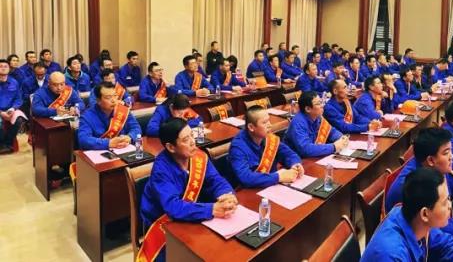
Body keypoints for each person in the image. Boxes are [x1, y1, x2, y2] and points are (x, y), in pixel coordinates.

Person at [137, 117, 237, 262]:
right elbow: (173, 207)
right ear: (171, 147)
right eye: (185, 139)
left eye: (192, 135)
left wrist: (227, 195)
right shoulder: (161, 170)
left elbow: (216, 180)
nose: (192, 142)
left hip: (192, 212)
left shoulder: (198, 156)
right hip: (163, 222)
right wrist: (211, 209)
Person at [361, 167, 453, 261]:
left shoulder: (417, 220)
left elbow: (448, 245)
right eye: (445, 202)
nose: (450, 205)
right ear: (425, 214)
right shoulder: (391, 254)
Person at [229, 106, 304, 188]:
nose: (270, 125)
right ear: (251, 127)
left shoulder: (268, 137)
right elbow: (245, 178)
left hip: (272, 186)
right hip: (252, 190)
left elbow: (289, 154)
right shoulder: (238, 147)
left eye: (269, 120)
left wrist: (295, 164)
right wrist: (278, 177)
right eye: (264, 122)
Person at [77, 82, 141, 150]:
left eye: (115, 95)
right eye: (108, 97)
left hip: (123, 150)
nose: (113, 100)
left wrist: (129, 137)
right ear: (98, 101)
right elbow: (83, 140)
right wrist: (108, 143)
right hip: (100, 153)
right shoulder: (87, 117)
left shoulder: (123, 110)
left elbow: (136, 128)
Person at [285, 91, 349, 158]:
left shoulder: (318, 117)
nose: (322, 105)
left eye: (321, 102)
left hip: (313, 156)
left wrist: (342, 138)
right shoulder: (298, 122)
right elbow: (305, 149)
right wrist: (333, 147)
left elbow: (331, 132)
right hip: (298, 160)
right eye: (318, 103)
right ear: (308, 109)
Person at [0, 58, 26, 153]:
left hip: (10, 109)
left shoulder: (14, 82)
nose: (3, 68)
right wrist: (1, 113)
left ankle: (8, 144)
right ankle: (2, 145)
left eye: (5, 66)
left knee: (19, 120)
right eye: (0, 66)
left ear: (9, 69)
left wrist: (13, 108)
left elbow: (19, 98)